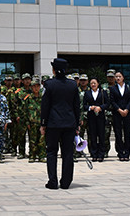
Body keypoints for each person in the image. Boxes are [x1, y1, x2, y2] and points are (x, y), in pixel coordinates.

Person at [41, 58, 80, 190]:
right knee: (68, 153)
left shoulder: (49, 84)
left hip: (53, 123)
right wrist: (77, 124)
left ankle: (53, 181)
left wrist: (43, 123)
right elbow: (76, 106)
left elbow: (45, 106)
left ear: (54, 70)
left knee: (52, 152)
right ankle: (66, 182)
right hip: (69, 123)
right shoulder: (73, 85)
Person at [109, 70, 130, 161]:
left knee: (127, 134)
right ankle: (120, 153)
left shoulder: (129, 88)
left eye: (119, 76)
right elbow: (112, 101)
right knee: (118, 134)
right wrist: (119, 110)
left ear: (123, 77)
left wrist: (126, 109)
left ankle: (127, 154)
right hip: (117, 113)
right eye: (116, 77)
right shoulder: (112, 89)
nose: (118, 78)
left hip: (127, 113)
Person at [83, 77, 108, 161]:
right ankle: (94, 154)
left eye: (94, 83)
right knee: (92, 135)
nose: (93, 84)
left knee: (101, 135)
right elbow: (84, 105)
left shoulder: (103, 92)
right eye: (91, 83)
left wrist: (100, 108)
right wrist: (90, 107)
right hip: (91, 117)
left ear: (98, 84)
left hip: (101, 116)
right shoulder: (87, 93)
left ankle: (101, 154)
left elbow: (107, 103)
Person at [23, 76, 45, 163]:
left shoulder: (43, 98)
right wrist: (27, 122)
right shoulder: (28, 98)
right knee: (32, 140)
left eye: (37, 86)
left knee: (42, 140)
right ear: (31, 87)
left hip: (42, 123)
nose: (36, 88)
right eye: (34, 86)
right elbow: (25, 111)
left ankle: (41, 156)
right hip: (32, 123)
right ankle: (32, 156)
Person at [101, 69, 116, 158]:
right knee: (105, 134)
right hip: (106, 113)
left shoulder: (118, 86)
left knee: (118, 133)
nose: (110, 78)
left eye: (112, 77)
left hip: (116, 112)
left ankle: (120, 150)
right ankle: (105, 151)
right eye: (109, 77)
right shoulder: (103, 87)